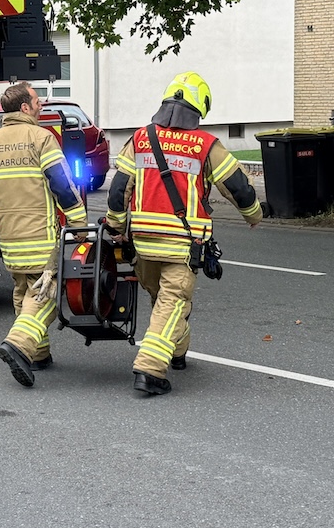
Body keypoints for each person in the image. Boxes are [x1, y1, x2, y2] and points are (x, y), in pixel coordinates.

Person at [105, 72, 261, 396]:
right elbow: (239, 187)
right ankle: (150, 368)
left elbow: (119, 188)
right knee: (174, 302)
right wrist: (253, 214)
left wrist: (116, 226)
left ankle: (178, 352)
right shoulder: (206, 145)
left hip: (143, 243)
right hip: (182, 244)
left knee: (162, 300)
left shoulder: (139, 138)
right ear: (199, 107)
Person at [0, 81, 88, 387]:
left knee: (24, 290)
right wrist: (77, 223)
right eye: (37, 102)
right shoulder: (41, 138)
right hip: (41, 236)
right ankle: (20, 345)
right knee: (48, 291)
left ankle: (38, 355)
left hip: (10, 239)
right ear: (24, 107)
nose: (41, 106)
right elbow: (61, 184)